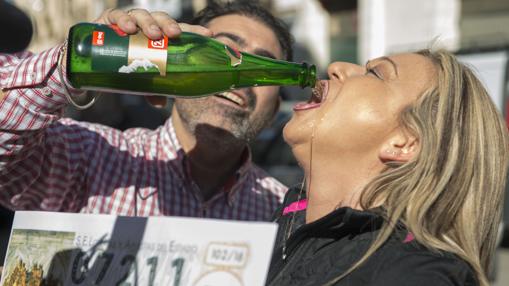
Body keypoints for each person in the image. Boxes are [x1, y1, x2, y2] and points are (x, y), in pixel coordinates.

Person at [0, 1, 290, 220]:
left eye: (263, 69)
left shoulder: (281, 212)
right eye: (226, 53)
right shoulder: (88, 157)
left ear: (276, 107)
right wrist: (71, 65)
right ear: (178, 66)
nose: (240, 76)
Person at [266, 50, 509, 286]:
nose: (336, 67)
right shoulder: (274, 225)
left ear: (404, 143)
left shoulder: (417, 275)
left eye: (374, 74)